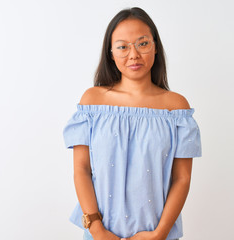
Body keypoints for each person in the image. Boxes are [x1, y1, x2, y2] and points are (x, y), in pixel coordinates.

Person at [63, 7, 202, 240]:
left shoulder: (176, 108)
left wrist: (160, 234)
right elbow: (81, 170)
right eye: (122, 46)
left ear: (155, 47)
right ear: (111, 53)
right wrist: (96, 229)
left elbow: (182, 178)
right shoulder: (92, 102)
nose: (133, 55)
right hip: (100, 235)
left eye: (143, 43)